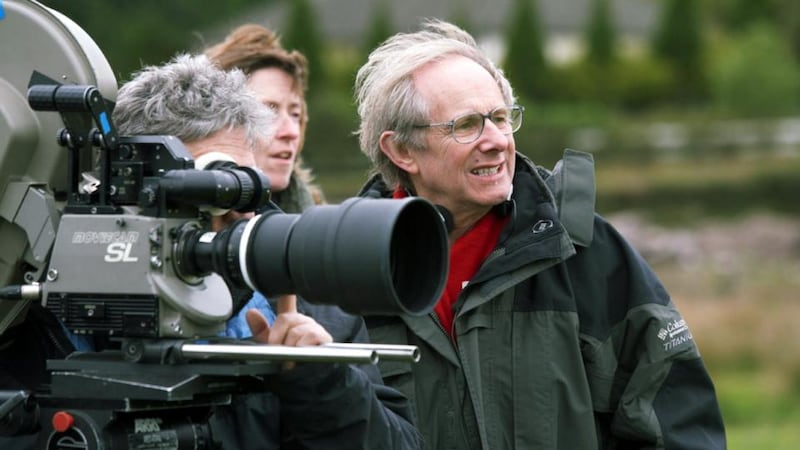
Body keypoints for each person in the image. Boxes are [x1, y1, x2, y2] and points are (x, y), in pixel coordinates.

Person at [353, 19, 726, 449]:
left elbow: (676, 422)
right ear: (402, 150)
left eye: (500, 118)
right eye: (467, 125)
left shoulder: (578, 249)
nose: (496, 140)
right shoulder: (350, 271)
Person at [110, 53, 423, 449]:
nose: (236, 206)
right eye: (210, 186)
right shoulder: (64, 306)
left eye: (242, 183)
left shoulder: (310, 308)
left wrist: (317, 378)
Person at [204, 23, 324, 214]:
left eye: (295, 115)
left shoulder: (320, 222)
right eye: (268, 112)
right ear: (217, 120)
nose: (291, 132)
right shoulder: (168, 218)